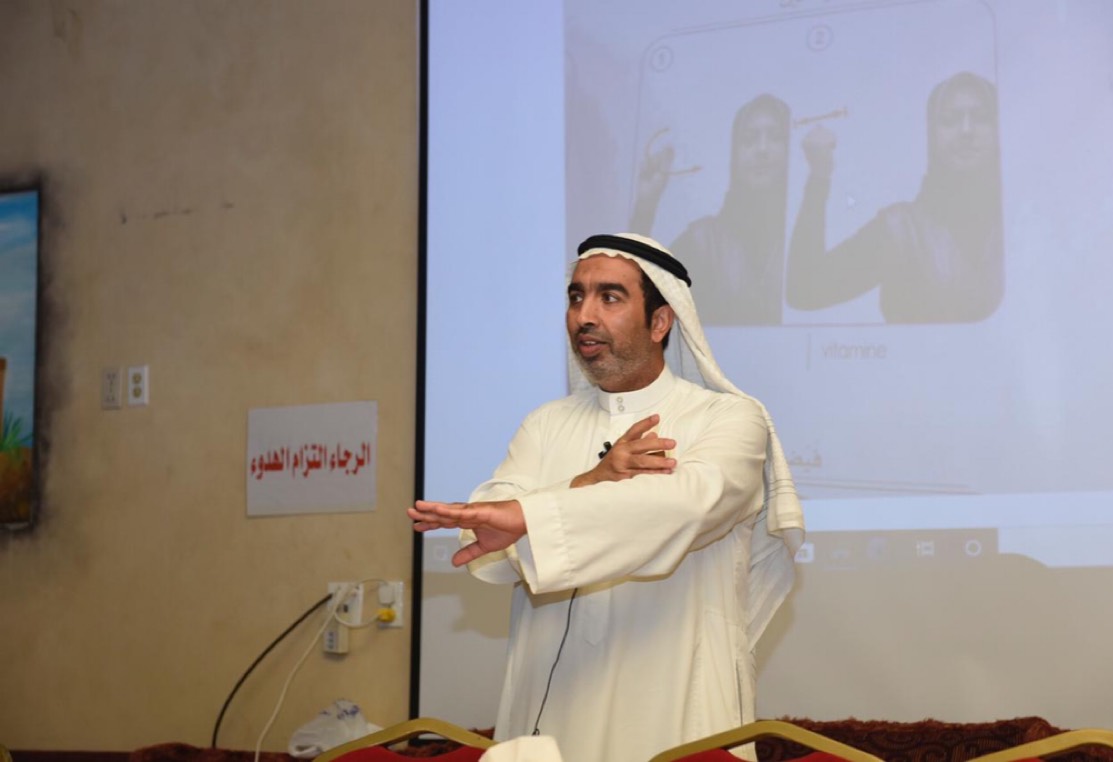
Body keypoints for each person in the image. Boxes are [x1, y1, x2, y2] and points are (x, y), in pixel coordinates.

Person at [408, 233, 804, 762]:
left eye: (609, 298)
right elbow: (485, 550)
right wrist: (587, 482)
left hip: (676, 699)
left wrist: (530, 515)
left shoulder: (729, 418)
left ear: (660, 322)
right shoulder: (545, 424)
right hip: (554, 706)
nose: (584, 316)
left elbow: (688, 506)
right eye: (576, 297)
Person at [786, 71, 1003, 323]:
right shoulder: (900, 229)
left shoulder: (1019, 221)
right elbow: (804, 289)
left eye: (981, 118)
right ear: (931, 134)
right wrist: (818, 177)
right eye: (949, 120)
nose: (966, 130)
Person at [630, 95, 792, 325]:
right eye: (749, 139)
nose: (762, 149)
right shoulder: (703, 242)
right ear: (735, 155)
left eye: (775, 137)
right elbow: (638, 302)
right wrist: (645, 207)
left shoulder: (805, 237)